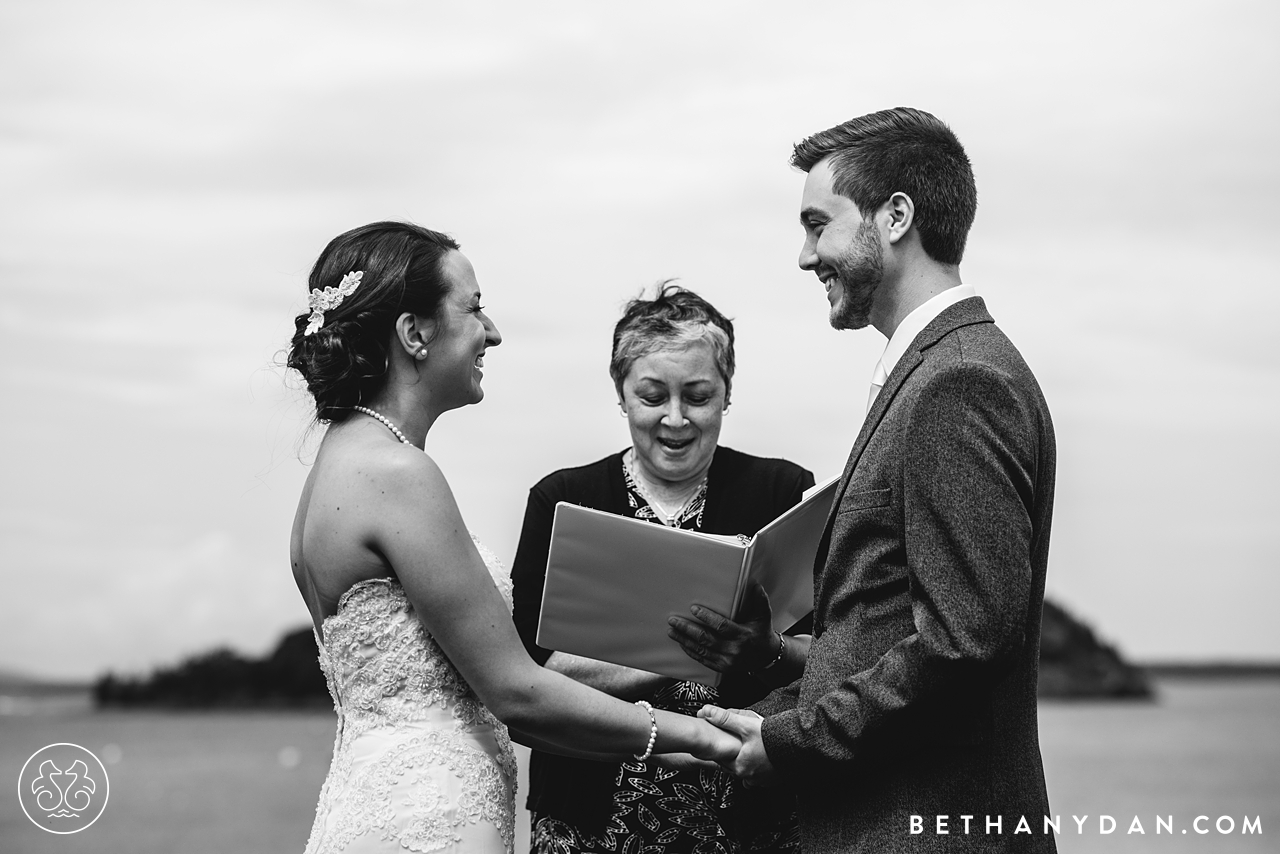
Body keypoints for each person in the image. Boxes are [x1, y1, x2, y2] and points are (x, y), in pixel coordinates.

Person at [286, 223, 739, 854]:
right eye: (472, 308)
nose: (491, 331)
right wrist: (698, 738)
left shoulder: (335, 470)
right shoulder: (396, 474)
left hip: (381, 802)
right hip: (428, 820)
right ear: (414, 334)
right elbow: (516, 691)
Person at [702, 108, 1058, 853]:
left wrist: (793, 744)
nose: (805, 256)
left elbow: (964, 642)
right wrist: (774, 695)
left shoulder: (957, 382)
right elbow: (888, 631)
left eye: (817, 224)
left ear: (895, 216)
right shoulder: (940, 370)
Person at [510, 284, 815, 854]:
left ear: (727, 394)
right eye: (652, 396)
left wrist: (764, 649)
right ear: (621, 396)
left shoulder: (784, 491)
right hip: (589, 818)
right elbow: (528, 680)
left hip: (754, 816)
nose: (676, 419)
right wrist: (687, 646)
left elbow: (824, 656)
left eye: (698, 396)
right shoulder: (561, 498)